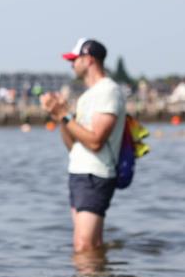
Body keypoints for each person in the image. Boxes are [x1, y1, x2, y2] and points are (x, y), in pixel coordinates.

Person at [40, 39, 125, 255]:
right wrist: (60, 116)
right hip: (79, 174)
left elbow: (95, 141)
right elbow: (73, 146)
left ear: (88, 60)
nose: (71, 65)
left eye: (74, 60)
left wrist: (65, 116)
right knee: (88, 246)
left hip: (95, 174)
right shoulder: (88, 95)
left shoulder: (108, 91)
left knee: (84, 246)